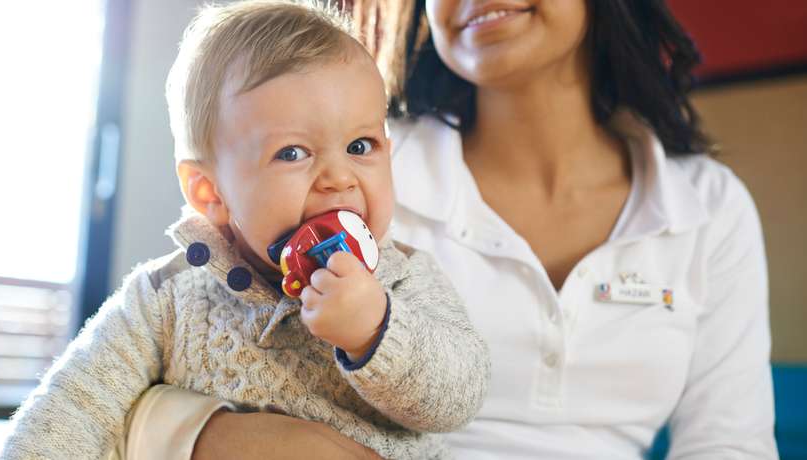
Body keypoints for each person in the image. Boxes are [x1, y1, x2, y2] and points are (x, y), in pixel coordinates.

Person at [120, 0, 779, 458]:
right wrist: (209, 437)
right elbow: (169, 330)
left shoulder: (708, 206)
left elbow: (729, 444)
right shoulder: (350, 171)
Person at [0, 1, 490, 459]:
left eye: (360, 146)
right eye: (293, 153)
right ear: (211, 192)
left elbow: (459, 397)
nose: (340, 177)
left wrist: (375, 330)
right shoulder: (165, 295)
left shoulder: (403, 280)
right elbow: (73, 407)